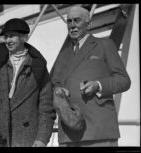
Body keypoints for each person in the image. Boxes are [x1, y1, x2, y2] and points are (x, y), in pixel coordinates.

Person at [51, 6, 131, 147]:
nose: (72, 25)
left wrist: (98, 85)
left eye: (77, 20)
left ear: (89, 24)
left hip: (99, 131)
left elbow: (124, 80)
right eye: (69, 21)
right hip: (69, 131)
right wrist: (58, 90)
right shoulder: (63, 55)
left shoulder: (104, 45)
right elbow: (55, 85)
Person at [0, 18, 56, 147]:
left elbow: (47, 108)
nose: (8, 41)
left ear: (23, 38)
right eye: (6, 37)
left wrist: (42, 139)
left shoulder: (38, 67)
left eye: (12, 36)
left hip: (27, 140)